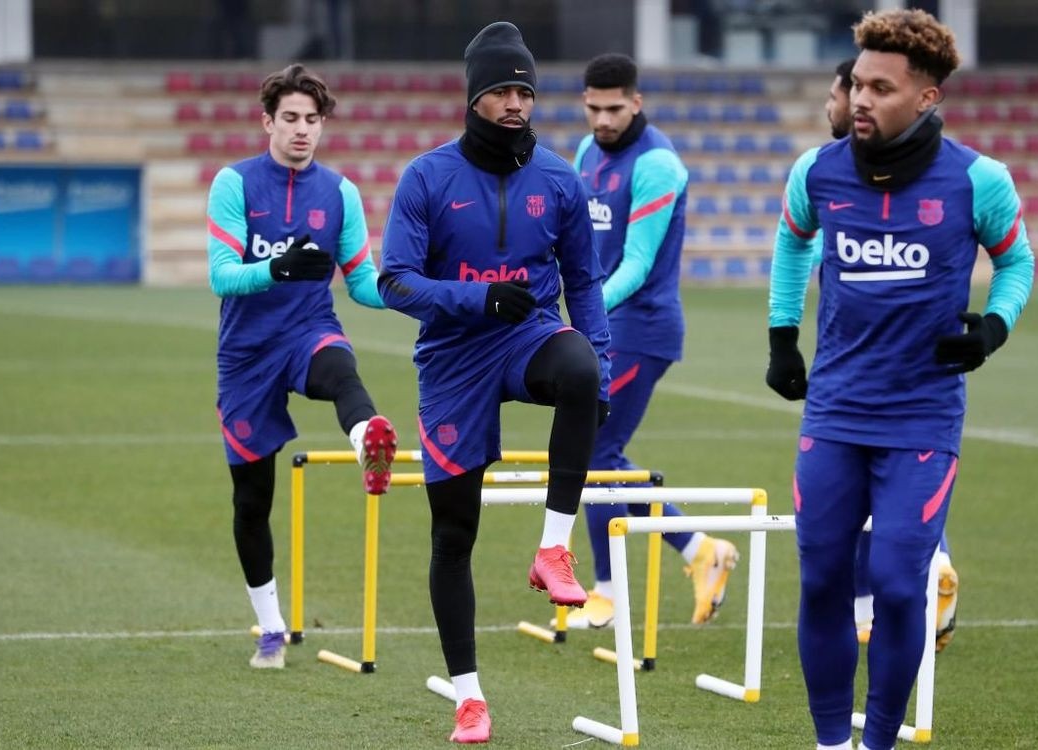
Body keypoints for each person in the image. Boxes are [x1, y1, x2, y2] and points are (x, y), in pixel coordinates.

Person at [766, 10, 1034, 750]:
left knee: (893, 583)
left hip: (922, 417)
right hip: (834, 412)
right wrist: (782, 337)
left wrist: (993, 327)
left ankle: (877, 743)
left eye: (881, 88)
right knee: (821, 582)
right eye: (856, 82)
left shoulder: (979, 181)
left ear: (927, 98)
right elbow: (792, 242)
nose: (860, 99)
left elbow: (1017, 262)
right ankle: (831, 743)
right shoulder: (816, 171)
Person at [377, 22, 611, 744]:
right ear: (474, 96)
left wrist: (596, 361)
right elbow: (394, 282)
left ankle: (552, 548)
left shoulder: (560, 180)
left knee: (579, 371)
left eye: (525, 91)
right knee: (454, 533)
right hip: (453, 357)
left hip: (527, 339)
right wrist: (475, 298)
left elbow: (584, 279)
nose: (516, 103)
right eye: (502, 91)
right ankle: (470, 698)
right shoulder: (427, 177)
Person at [206, 63, 398, 670]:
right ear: (267, 121)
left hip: (308, 332)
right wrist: (277, 268)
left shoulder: (340, 193)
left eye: (312, 120)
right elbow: (221, 275)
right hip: (246, 355)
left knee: (341, 371)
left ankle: (370, 437)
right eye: (290, 118)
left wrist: (426, 295)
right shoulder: (233, 184)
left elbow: (364, 283)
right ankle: (270, 627)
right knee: (250, 500)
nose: (302, 131)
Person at [561, 52, 738, 631]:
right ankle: (698, 550)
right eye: (593, 108)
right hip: (604, 323)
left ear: (636, 102)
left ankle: (609, 592)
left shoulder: (658, 164)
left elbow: (636, 263)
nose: (603, 119)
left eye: (615, 108)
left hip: (643, 326)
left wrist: (583, 309)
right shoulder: (588, 152)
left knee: (593, 454)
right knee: (599, 457)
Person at [823, 57, 960, 650]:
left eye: (857, 89)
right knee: (901, 487)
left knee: (866, 488)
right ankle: (935, 560)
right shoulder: (831, 172)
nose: (845, 103)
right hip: (880, 370)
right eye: (851, 89)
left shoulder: (853, 172)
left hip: (863, 367)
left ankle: (868, 602)